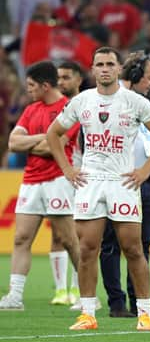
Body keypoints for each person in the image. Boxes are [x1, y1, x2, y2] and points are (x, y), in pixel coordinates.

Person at [46, 47, 150, 331]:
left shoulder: (134, 101)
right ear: (92, 69)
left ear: (118, 69)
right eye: (99, 64)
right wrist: (67, 169)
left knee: (133, 249)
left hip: (122, 181)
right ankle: (88, 314)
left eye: (110, 64)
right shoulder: (82, 101)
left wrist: (146, 169)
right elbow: (53, 134)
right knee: (88, 248)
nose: (104, 69)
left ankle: (144, 315)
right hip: (91, 182)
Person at [0, 62, 80, 311]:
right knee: (22, 238)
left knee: (68, 240)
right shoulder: (31, 109)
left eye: (32, 86)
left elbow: (51, 148)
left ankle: (87, 294)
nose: (28, 90)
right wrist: (46, 137)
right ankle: (15, 296)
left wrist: (40, 142)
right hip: (31, 181)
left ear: (46, 86)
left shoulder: (70, 108)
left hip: (59, 180)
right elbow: (13, 142)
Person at [98, 52, 150, 318]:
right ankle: (117, 303)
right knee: (110, 244)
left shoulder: (142, 104)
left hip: (144, 182)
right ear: (135, 75)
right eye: (149, 77)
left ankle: (140, 303)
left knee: (142, 244)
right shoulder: (106, 101)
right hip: (113, 181)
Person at [48, 61, 84, 307]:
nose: (61, 82)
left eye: (66, 77)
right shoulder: (56, 108)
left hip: (84, 176)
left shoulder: (84, 104)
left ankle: (79, 288)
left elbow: (57, 140)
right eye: (58, 77)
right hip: (61, 175)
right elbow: (53, 139)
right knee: (58, 232)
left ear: (79, 79)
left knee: (79, 233)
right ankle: (61, 290)